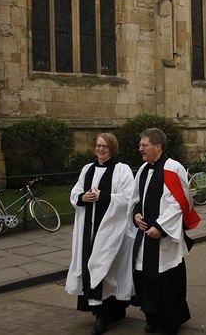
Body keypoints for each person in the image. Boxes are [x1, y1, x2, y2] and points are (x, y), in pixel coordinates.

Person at [66, 133, 135, 335]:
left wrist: (103, 196)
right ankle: (99, 313)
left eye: (104, 146)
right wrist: (83, 197)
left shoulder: (121, 170)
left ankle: (110, 312)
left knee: (106, 268)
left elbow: (128, 198)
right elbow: (75, 192)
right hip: (88, 229)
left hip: (110, 231)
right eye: (98, 145)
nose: (100, 149)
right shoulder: (87, 169)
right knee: (90, 266)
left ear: (112, 148)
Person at [131, 128, 197, 335]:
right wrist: (136, 214)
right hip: (145, 236)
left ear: (157, 146)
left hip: (164, 238)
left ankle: (171, 322)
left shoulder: (172, 168)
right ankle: (153, 317)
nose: (140, 148)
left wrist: (160, 227)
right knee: (146, 279)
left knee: (168, 282)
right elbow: (135, 198)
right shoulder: (142, 170)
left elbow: (179, 202)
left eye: (144, 144)